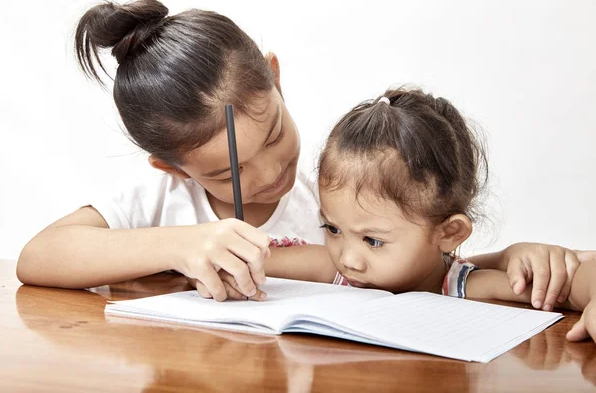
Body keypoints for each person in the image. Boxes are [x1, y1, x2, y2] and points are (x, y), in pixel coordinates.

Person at [16, 0, 580, 311]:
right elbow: (39, 257)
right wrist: (179, 244)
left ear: (277, 82)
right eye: (225, 172)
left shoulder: (340, 193)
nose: (269, 174)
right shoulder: (160, 198)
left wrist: (509, 256)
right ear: (171, 167)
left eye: (272, 137)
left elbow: (436, 275)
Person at [199, 87, 596, 342]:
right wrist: (230, 271)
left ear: (449, 232)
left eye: (373, 240)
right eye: (332, 228)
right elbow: (236, 262)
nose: (348, 257)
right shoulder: (332, 269)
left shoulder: (462, 287)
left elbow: (576, 276)